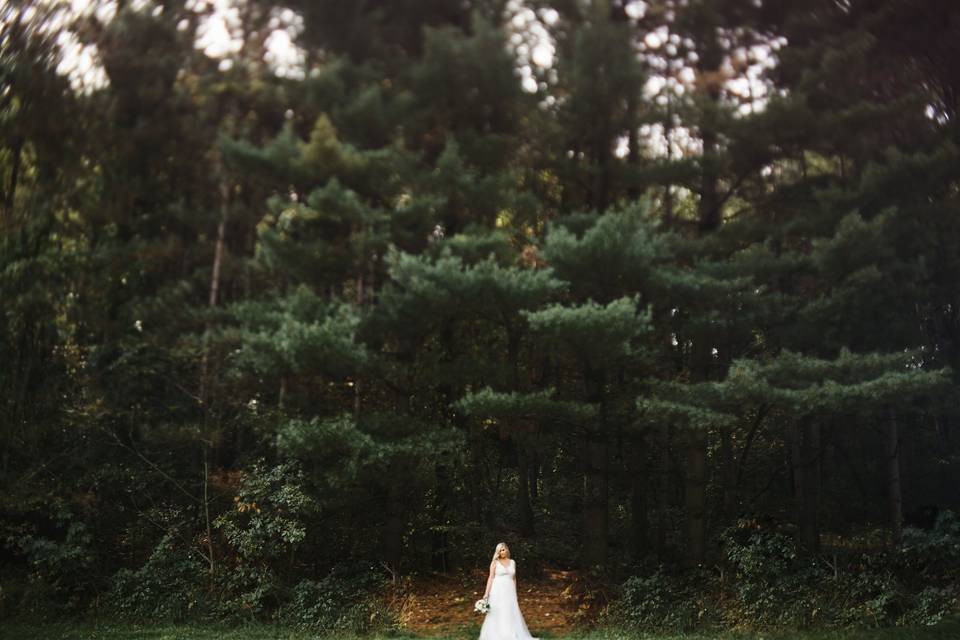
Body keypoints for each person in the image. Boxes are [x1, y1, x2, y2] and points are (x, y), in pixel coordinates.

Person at [478, 542, 537, 640]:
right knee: (498, 610)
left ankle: (511, 632)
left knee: (510, 610)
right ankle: (498, 634)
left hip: (509, 590)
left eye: (504, 549)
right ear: (498, 552)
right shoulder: (494, 563)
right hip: (498, 590)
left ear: (507, 550)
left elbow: (514, 578)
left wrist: (515, 592)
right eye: (500, 550)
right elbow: (491, 577)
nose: (502, 552)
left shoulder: (512, 562)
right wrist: (486, 593)